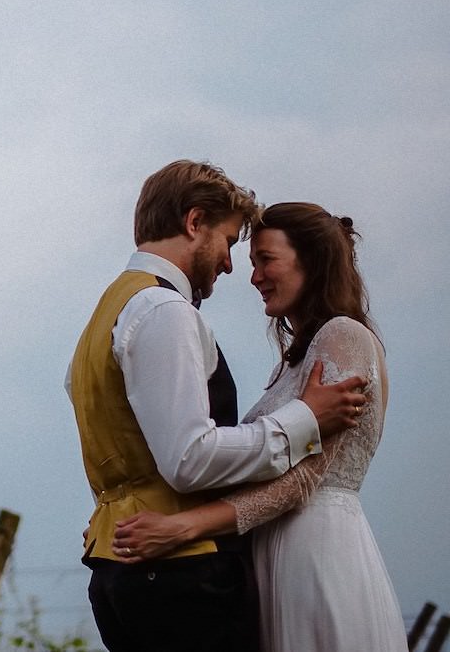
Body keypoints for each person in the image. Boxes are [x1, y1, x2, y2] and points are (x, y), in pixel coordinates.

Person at [66, 161, 367, 652]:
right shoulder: (164, 311)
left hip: (121, 566)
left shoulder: (108, 312)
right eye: (228, 242)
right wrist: (304, 419)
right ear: (193, 223)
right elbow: (189, 458)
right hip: (178, 572)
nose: (230, 265)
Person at [112, 203, 407, 651]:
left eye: (266, 260)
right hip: (272, 552)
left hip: (317, 554)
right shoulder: (291, 365)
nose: (253, 277)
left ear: (312, 260)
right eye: (252, 263)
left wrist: (186, 527)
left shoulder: (344, 336)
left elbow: (304, 478)